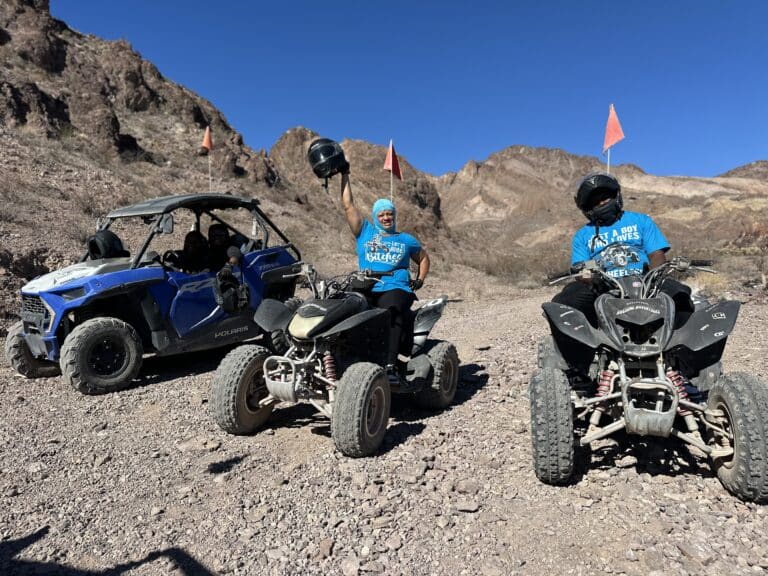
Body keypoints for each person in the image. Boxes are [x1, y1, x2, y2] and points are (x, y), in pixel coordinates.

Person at [552, 171, 692, 370]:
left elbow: (656, 254)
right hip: (603, 286)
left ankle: (683, 360)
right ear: (586, 208)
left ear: (617, 196)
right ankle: (579, 365)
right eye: (595, 201)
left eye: (605, 197)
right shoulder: (583, 235)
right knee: (564, 303)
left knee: (680, 295)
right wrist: (589, 278)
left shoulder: (641, 221)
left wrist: (654, 277)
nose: (602, 203)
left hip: (644, 281)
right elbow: (580, 266)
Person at [339, 166, 430, 386]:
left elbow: (424, 259)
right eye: (382, 214)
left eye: (390, 213)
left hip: (395, 285)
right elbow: (348, 205)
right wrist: (344, 174)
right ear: (375, 216)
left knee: (391, 311)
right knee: (344, 311)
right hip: (367, 285)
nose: (386, 217)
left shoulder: (406, 239)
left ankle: (390, 366)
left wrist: (419, 279)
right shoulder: (365, 231)